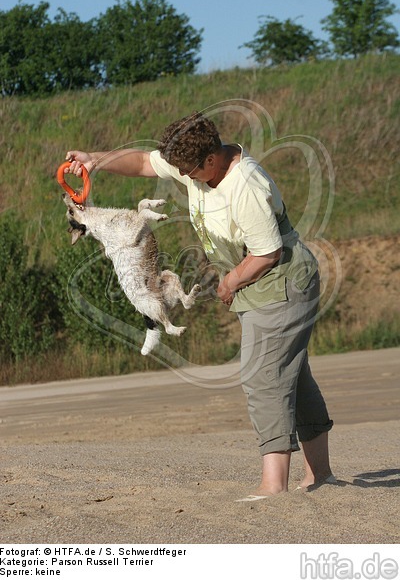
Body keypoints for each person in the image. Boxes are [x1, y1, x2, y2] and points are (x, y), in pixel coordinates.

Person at [65, 111, 335, 500]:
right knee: (290, 374)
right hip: (258, 282)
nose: (185, 177)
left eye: (190, 171)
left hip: (280, 281)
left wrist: (229, 281)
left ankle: (273, 486)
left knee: (262, 375)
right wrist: (95, 160)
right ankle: (320, 475)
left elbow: (267, 253)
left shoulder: (246, 185)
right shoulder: (197, 162)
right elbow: (144, 162)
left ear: (212, 159)